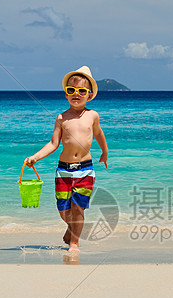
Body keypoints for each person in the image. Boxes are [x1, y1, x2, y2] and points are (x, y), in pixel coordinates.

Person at [24, 66, 109, 252]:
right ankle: (71, 227)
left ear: (90, 95)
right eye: (71, 90)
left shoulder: (92, 115)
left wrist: (105, 152)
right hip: (64, 169)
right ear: (66, 94)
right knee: (63, 210)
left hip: (85, 169)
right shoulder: (61, 118)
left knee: (78, 208)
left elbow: (99, 134)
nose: (76, 94)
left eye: (81, 91)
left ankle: (75, 243)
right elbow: (53, 144)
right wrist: (35, 157)